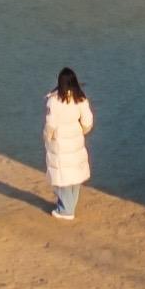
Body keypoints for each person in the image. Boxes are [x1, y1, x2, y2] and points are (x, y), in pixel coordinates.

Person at [44, 67, 94, 221]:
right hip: (76, 140)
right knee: (74, 176)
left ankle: (66, 210)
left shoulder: (54, 101)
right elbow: (87, 121)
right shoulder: (81, 98)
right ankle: (67, 207)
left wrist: (48, 137)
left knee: (62, 176)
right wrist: (81, 132)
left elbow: (50, 124)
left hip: (59, 141)